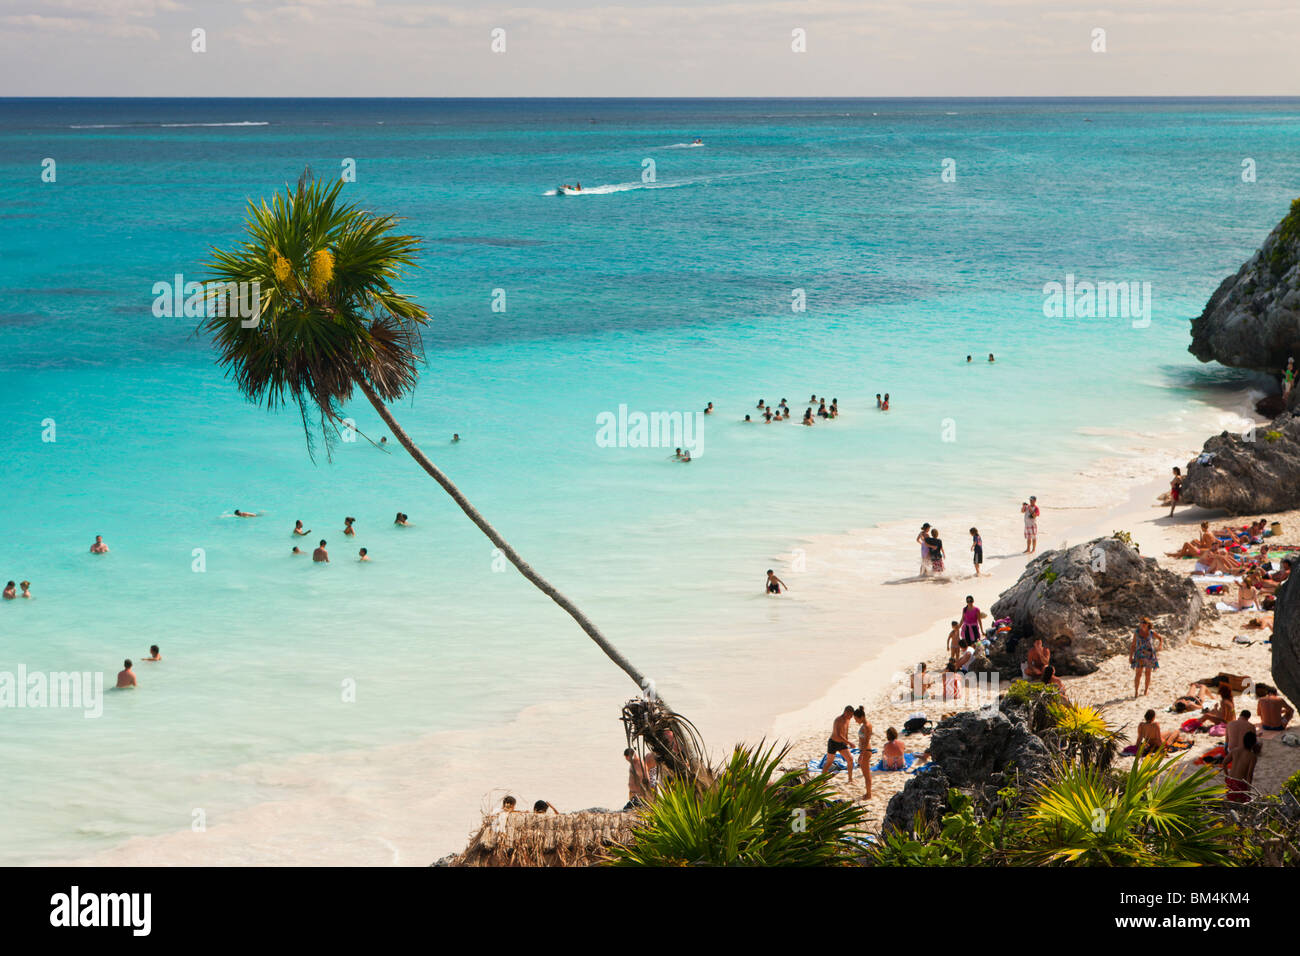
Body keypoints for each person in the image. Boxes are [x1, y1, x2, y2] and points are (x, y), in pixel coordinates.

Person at [1129, 616, 1162, 697]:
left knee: (1148, 674)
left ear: (1148, 624)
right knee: (1138, 674)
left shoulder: (1151, 632)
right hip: (1139, 655)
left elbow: (1160, 638)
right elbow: (1133, 645)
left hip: (1149, 655)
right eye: (1141, 622)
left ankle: (1146, 691)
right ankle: (1136, 692)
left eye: (1144, 623)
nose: (1142, 624)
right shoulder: (1137, 632)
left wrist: (1160, 646)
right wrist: (1130, 657)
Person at [1225, 730, 1260, 803]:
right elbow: (1249, 774)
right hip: (1240, 784)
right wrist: (1248, 789)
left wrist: (1227, 775)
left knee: (1231, 800)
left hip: (1230, 781)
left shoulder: (1235, 750)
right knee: (1243, 802)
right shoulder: (1252, 757)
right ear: (1253, 744)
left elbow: (1224, 763)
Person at [823, 706, 856, 783]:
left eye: (852, 716)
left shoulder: (848, 720)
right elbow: (838, 735)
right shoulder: (838, 720)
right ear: (845, 713)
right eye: (850, 715)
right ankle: (822, 779)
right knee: (829, 762)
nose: (851, 717)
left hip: (842, 743)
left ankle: (850, 779)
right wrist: (849, 742)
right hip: (833, 743)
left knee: (850, 759)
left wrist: (847, 741)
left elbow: (846, 731)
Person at [853, 707, 873, 798]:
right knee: (865, 774)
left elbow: (867, 741)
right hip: (864, 750)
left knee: (866, 775)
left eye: (856, 719)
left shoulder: (867, 726)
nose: (856, 721)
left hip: (865, 751)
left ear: (861, 717)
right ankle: (868, 793)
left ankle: (869, 794)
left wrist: (861, 754)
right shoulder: (864, 725)